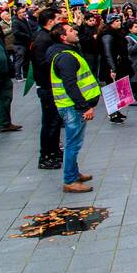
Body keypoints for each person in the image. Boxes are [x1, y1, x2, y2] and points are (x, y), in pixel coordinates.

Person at [47, 23, 100, 193]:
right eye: (70, 30)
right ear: (63, 37)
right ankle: (69, 180)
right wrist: (84, 106)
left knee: (74, 142)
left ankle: (74, 173)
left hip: (71, 106)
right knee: (73, 144)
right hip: (72, 107)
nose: (75, 32)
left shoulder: (65, 52)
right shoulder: (65, 57)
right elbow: (70, 85)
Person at [31, 8, 63, 169]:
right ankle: (46, 155)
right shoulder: (42, 39)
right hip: (47, 86)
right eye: (58, 19)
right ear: (50, 21)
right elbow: (42, 63)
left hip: (52, 85)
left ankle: (55, 150)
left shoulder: (47, 37)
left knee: (55, 121)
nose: (61, 22)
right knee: (50, 122)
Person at [99, 15, 131, 124]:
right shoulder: (107, 35)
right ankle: (113, 114)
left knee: (118, 89)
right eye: (117, 21)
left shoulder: (117, 33)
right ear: (111, 23)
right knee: (112, 90)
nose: (119, 22)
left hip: (119, 64)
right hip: (111, 66)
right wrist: (112, 68)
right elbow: (107, 53)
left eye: (119, 20)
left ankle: (117, 111)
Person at [11, 7, 34, 80]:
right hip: (19, 44)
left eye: (24, 11)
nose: (24, 13)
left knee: (26, 60)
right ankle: (18, 75)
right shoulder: (15, 22)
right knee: (20, 60)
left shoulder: (25, 20)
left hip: (27, 43)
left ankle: (25, 75)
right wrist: (26, 35)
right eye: (22, 12)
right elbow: (16, 32)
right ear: (18, 14)